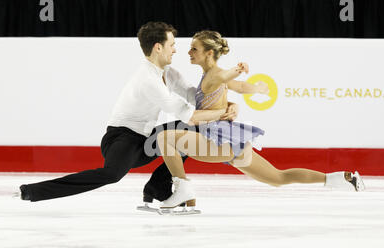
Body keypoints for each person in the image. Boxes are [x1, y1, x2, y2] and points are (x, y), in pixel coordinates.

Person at [17, 22, 238, 204]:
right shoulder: (148, 79)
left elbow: (195, 97)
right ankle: (33, 191)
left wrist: (229, 104)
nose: (175, 49)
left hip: (146, 138)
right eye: (172, 44)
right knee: (112, 175)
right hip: (122, 138)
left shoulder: (168, 73)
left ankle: (157, 188)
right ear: (158, 47)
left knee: (192, 132)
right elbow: (187, 113)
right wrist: (220, 114)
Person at [156, 30, 365, 208]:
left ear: (209, 53)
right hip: (228, 142)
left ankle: (184, 191)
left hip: (217, 139)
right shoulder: (212, 76)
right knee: (278, 178)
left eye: (194, 49)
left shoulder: (216, 75)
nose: (189, 52)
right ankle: (339, 178)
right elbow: (239, 86)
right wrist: (255, 88)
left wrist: (237, 70)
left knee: (166, 138)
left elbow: (226, 78)